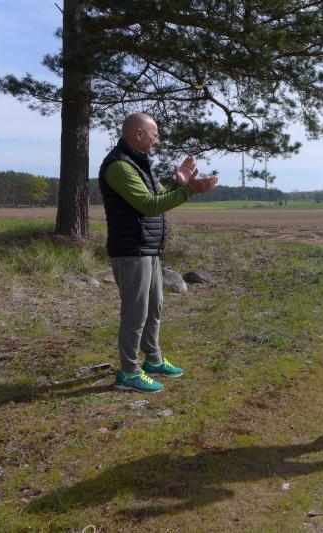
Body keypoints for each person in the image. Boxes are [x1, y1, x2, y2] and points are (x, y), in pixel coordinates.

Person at [99, 113, 218, 393]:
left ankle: (153, 360)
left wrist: (180, 185)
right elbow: (149, 205)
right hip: (131, 250)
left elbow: (161, 198)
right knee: (136, 312)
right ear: (139, 134)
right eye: (155, 134)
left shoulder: (140, 165)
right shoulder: (119, 166)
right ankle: (129, 372)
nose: (158, 140)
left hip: (148, 248)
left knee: (154, 307)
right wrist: (188, 191)